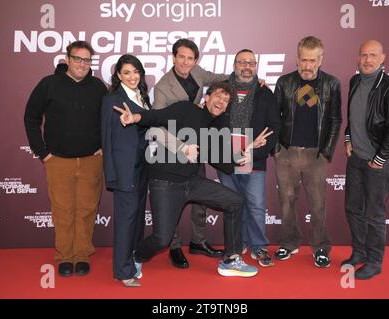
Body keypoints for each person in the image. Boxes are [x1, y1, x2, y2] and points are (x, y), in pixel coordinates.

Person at [115, 82, 270, 277]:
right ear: (207, 97)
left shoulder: (214, 128)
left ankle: (230, 260)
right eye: (218, 96)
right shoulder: (186, 108)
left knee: (235, 202)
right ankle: (137, 256)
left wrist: (250, 149)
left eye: (226, 101)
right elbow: (156, 117)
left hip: (191, 182)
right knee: (162, 239)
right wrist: (135, 117)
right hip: (165, 183)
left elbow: (225, 163)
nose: (221, 102)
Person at [24, 41, 107, 277]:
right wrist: (43, 152)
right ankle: (64, 256)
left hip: (92, 160)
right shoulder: (48, 84)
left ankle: (81, 255)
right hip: (58, 160)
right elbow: (31, 117)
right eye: (77, 58)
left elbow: (107, 120)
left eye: (87, 60)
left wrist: (102, 146)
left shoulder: (98, 87)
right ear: (67, 59)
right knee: (63, 211)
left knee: (87, 210)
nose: (82, 64)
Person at [152, 38, 228, 269]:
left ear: (195, 60)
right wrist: (180, 147)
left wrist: (250, 80)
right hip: (172, 151)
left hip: (196, 147)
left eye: (190, 58)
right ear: (174, 57)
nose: (185, 62)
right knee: (174, 201)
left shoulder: (198, 73)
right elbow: (157, 125)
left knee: (201, 199)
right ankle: (174, 247)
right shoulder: (163, 87)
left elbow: (219, 78)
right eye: (181, 57)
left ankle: (198, 241)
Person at [273, 36, 342, 268]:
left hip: (316, 155)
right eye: (303, 60)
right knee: (285, 202)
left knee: (318, 204)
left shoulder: (331, 84)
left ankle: (320, 247)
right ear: (297, 58)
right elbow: (274, 117)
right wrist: (277, 149)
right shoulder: (284, 82)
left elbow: (335, 119)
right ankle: (289, 242)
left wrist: (327, 152)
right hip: (287, 153)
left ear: (320, 60)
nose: (307, 65)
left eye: (313, 60)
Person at [342, 40, 389, 280]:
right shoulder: (355, 81)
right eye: (363, 55)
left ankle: (374, 261)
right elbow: (351, 118)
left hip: (377, 163)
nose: (367, 60)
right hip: (356, 159)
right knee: (352, 209)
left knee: (374, 214)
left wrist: (379, 160)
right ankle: (359, 253)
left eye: (372, 55)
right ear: (358, 58)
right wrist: (348, 140)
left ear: (382, 58)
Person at [214, 49, 280, 267]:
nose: (247, 66)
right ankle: (237, 244)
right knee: (233, 204)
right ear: (234, 65)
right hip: (226, 160)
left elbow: (274, 127)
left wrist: (255, 152)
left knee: (256, 205)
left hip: (255, 159)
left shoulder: (265, 93)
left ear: (256, 66)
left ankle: (259, 246)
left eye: (251, 63)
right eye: (242, 62)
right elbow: (210, 118)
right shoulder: (221, 90)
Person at [101, 54, 150, 287]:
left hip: (143, 168)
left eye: (136, 72)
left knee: (137, 218)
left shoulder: (143, 96)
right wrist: (111, 174)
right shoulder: (111, 99)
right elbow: (106, 138)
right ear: (119, 75)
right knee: (126, 220)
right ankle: (123, 271)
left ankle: (133, 259)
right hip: (124, 171)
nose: (132, 77)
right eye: (127, 72)